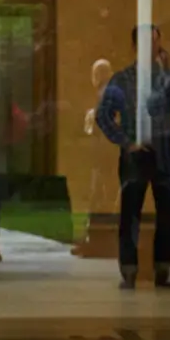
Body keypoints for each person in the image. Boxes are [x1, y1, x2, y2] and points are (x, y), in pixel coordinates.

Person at [97, 25, 170, 290]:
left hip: (162, 147)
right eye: (147, 43)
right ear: (135, 47)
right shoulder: (122, 80)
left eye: (156, 43)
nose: (153, 49)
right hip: (135, 151)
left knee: (168, 212)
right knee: (130, 211)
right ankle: (128, 270)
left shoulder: (165, 77)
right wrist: (126, 143)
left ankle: (163, 269)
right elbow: (103, 116)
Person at [73, 59, 114, 256]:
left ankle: (96, 241)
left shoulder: (106, 95)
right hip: (104, 156)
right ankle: (95, 240)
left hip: (104, 156)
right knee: (98, 196)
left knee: (98, 197)